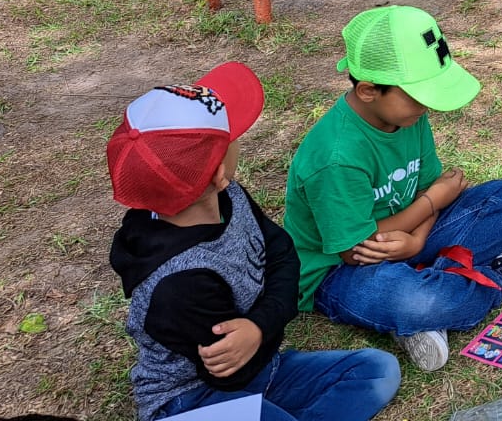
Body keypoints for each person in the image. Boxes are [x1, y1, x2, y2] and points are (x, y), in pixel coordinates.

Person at [284, 7, 502, 372]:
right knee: (421, 301)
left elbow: (432, 188)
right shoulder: (337, 158)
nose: (427, 107)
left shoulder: (406, 116)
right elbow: (354, 252)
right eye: (419, 96)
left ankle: (432, 286)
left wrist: (419, 236)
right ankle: (487, 279)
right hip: (340, 271)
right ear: (369, 90)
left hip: (405, 236)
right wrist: (430, 205)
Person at [108, 61, 400, 421]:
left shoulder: (229, 197)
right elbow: (233, 371)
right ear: (217, 172)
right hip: (192, 399)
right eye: (231, 136)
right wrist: (265, 324)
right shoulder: (177, 283)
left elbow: (283, 254)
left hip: (262, 364)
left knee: (377, 369)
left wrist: (258, 326)